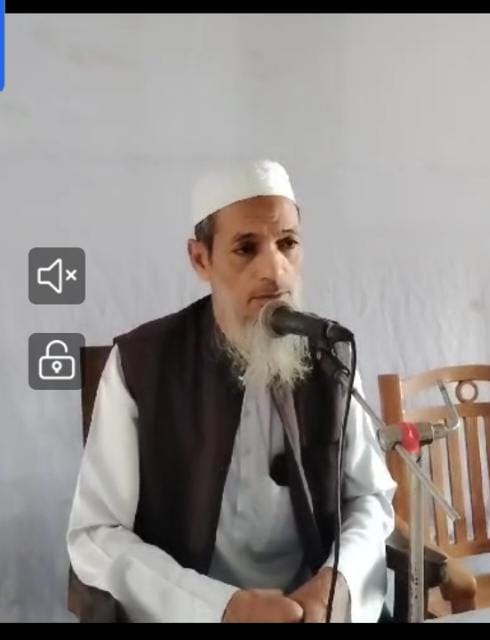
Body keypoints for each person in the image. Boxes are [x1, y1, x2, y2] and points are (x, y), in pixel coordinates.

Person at [66, 159, 396, 623]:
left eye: (287, 243)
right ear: (200, 259)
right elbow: (97, 532)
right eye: (246, 248)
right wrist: (220, 608)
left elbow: (368, 498)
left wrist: (336, 583)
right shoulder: (140, 364)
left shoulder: (330, 356)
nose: (275, 271)